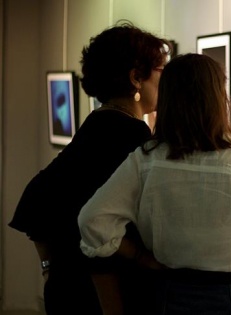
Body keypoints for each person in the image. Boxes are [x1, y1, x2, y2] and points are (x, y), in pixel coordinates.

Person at [78, 53, 231, 315]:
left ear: (168, 99)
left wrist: (140, 256)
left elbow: (92, 220)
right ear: (220, 98)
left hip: (172, 292)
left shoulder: (147, 160)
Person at [9, 21, 171, 315]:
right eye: (161, 71)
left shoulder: (98, 124)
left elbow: (33, 200)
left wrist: (49, 268)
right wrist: (140, 257)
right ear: (136, 78)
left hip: (68, 287)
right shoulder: (132, 137)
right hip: (108, 294)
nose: (166, 81)